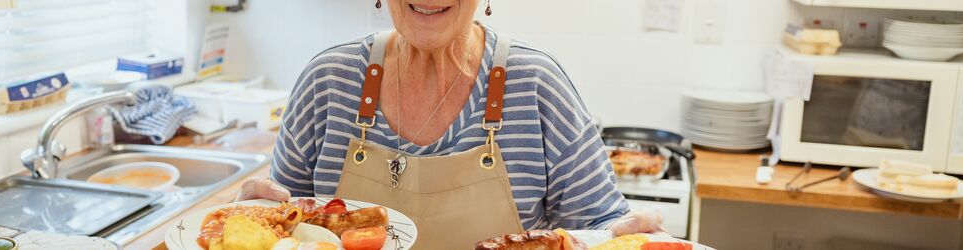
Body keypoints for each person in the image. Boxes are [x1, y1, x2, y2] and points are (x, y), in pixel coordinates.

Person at [238, 0, 664, 248]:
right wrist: (247, 220)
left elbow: (599, 230)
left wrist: (624, 234)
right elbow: (285, 230)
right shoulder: (328, 80)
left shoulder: (535, 84)